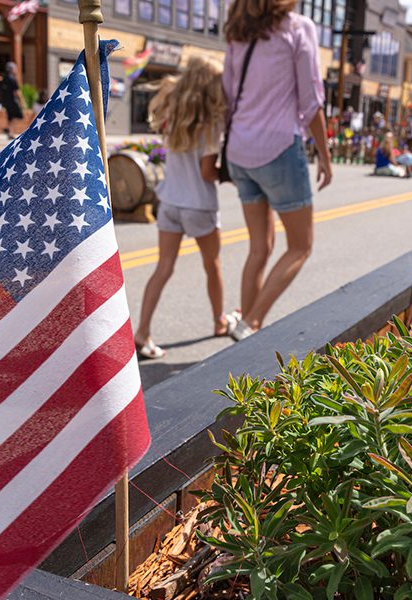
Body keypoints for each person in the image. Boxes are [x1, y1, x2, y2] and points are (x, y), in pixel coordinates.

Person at [222, 0, 332, 340]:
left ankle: (246, 328)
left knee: (260, 247)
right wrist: (325, 157)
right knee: (300, 246)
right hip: (279, 147)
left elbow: (227, 96)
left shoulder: (238, 32)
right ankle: (251, 323)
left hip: (239, 149)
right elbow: (311, 101)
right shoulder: (298, 28)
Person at [133, 57, 230, 359]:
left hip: (170, 202)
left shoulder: (173, 114)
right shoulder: (211, 123)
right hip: (198, 204)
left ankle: (143, 331)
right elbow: (206, 173)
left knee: (163, 268)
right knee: (212, 265)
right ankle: (218, 321)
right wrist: (227, 173)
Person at [0, 61, 26, 139]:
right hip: (13, 100)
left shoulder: (4, 78)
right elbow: (17, 91)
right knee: (18, 115)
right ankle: (10, 130)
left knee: (10, 116)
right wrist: (22, 101)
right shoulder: (12, 79)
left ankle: (10, 130)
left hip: (6, 101)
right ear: (11, 69)